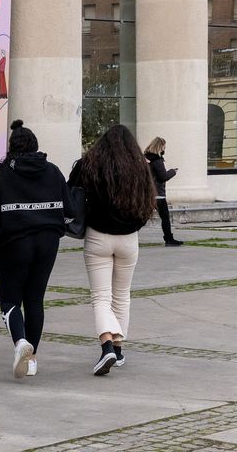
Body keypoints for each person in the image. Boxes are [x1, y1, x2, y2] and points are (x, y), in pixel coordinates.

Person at [68, 124, 156, 375]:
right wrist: (133, 224)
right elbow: (149, 202)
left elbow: (70, 191)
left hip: (97, 236)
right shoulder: (140, 167)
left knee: (101, 297)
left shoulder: (89, 165)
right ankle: (117, 350)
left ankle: (106, 344)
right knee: (122, 295)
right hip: (129, 238)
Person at [0, 119, 68, 380]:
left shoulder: (1, 173)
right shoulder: (53, 171)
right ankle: (32, 360)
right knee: (35, 300)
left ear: (11, 146)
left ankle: (21, 342)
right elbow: (68, 209)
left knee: (10, 300)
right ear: (35, 145)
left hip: (14, 243)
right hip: (48, 242)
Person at [144, 136, 184, 246]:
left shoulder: (145, 159)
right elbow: (163, 177)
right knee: (165, 217)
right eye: (164, 147)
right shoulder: (157, 160)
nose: (164, 149)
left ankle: (129, 235)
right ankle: (169, 240)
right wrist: (173, 171)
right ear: (160, 147)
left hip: (148, 193)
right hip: (158, 194)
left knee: (143, 217)